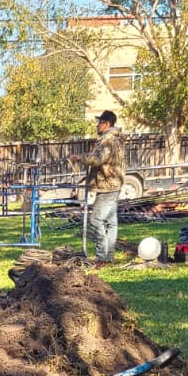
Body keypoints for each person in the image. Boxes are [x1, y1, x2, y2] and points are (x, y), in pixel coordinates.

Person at [75, 111, 126, 264]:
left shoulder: (108, 141)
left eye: (100, 122)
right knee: (111, 222)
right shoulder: (115, 139)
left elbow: (98, 159)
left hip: (107, 185)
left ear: (107, 124)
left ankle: (101, 257)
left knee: (96, 219)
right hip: (113, 184)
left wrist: (79, 157)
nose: (97, 125)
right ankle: (108, 257)